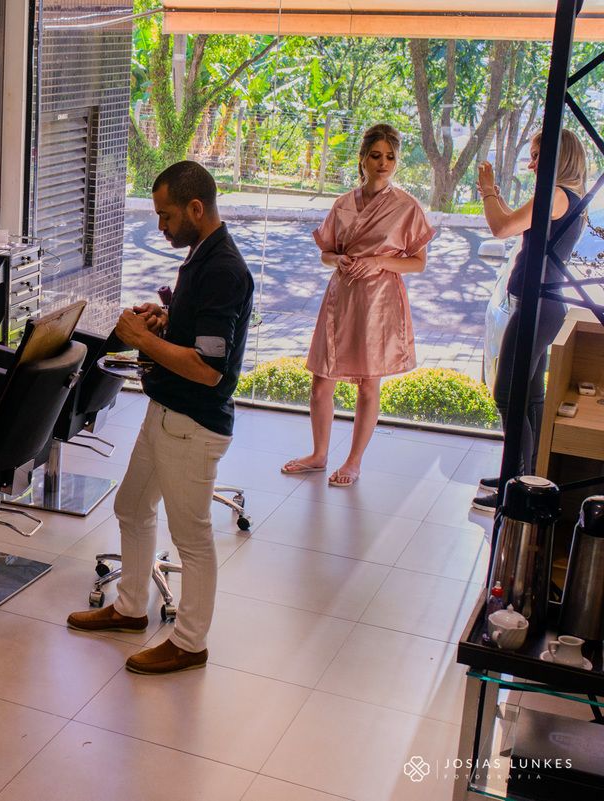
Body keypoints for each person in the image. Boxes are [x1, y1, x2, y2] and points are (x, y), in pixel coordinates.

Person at [66, 160, 253, 675]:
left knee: (192, 537)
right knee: (130, 507)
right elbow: (199, 335)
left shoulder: (222, 269)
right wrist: (168, 320)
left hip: (193, 423)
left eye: (167, 216)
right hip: (165, 412)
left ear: (196, 208)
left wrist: (145, 339)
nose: (161, 226)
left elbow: (210, 369)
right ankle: (129, 609)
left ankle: (190, 643)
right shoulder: (201, 255)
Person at [281, 123, 434, 487]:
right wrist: (338, 261)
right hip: (341, 297)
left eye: (391, 157)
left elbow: (418, 261)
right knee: (321, 380)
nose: (383, 163)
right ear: (362, 159)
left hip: (379, 302)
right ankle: (319, 455)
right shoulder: (343, 204)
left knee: (368, 384)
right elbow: (326, 253)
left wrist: (380, 262)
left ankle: (353, 461)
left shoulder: (406, 207)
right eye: (376, 156)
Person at [473, 128, 588, 511]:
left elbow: (500, 227)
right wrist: (497, 198)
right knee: (531, 397)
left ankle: (513, 482)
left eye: (539, 155)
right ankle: (524, 477)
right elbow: (514, 223)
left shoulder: (554, 195)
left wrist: (488, 190)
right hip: (543, 305)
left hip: (536, 307)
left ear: (561, 157)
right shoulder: (567, 197)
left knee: (507, 393)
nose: (531, 162)